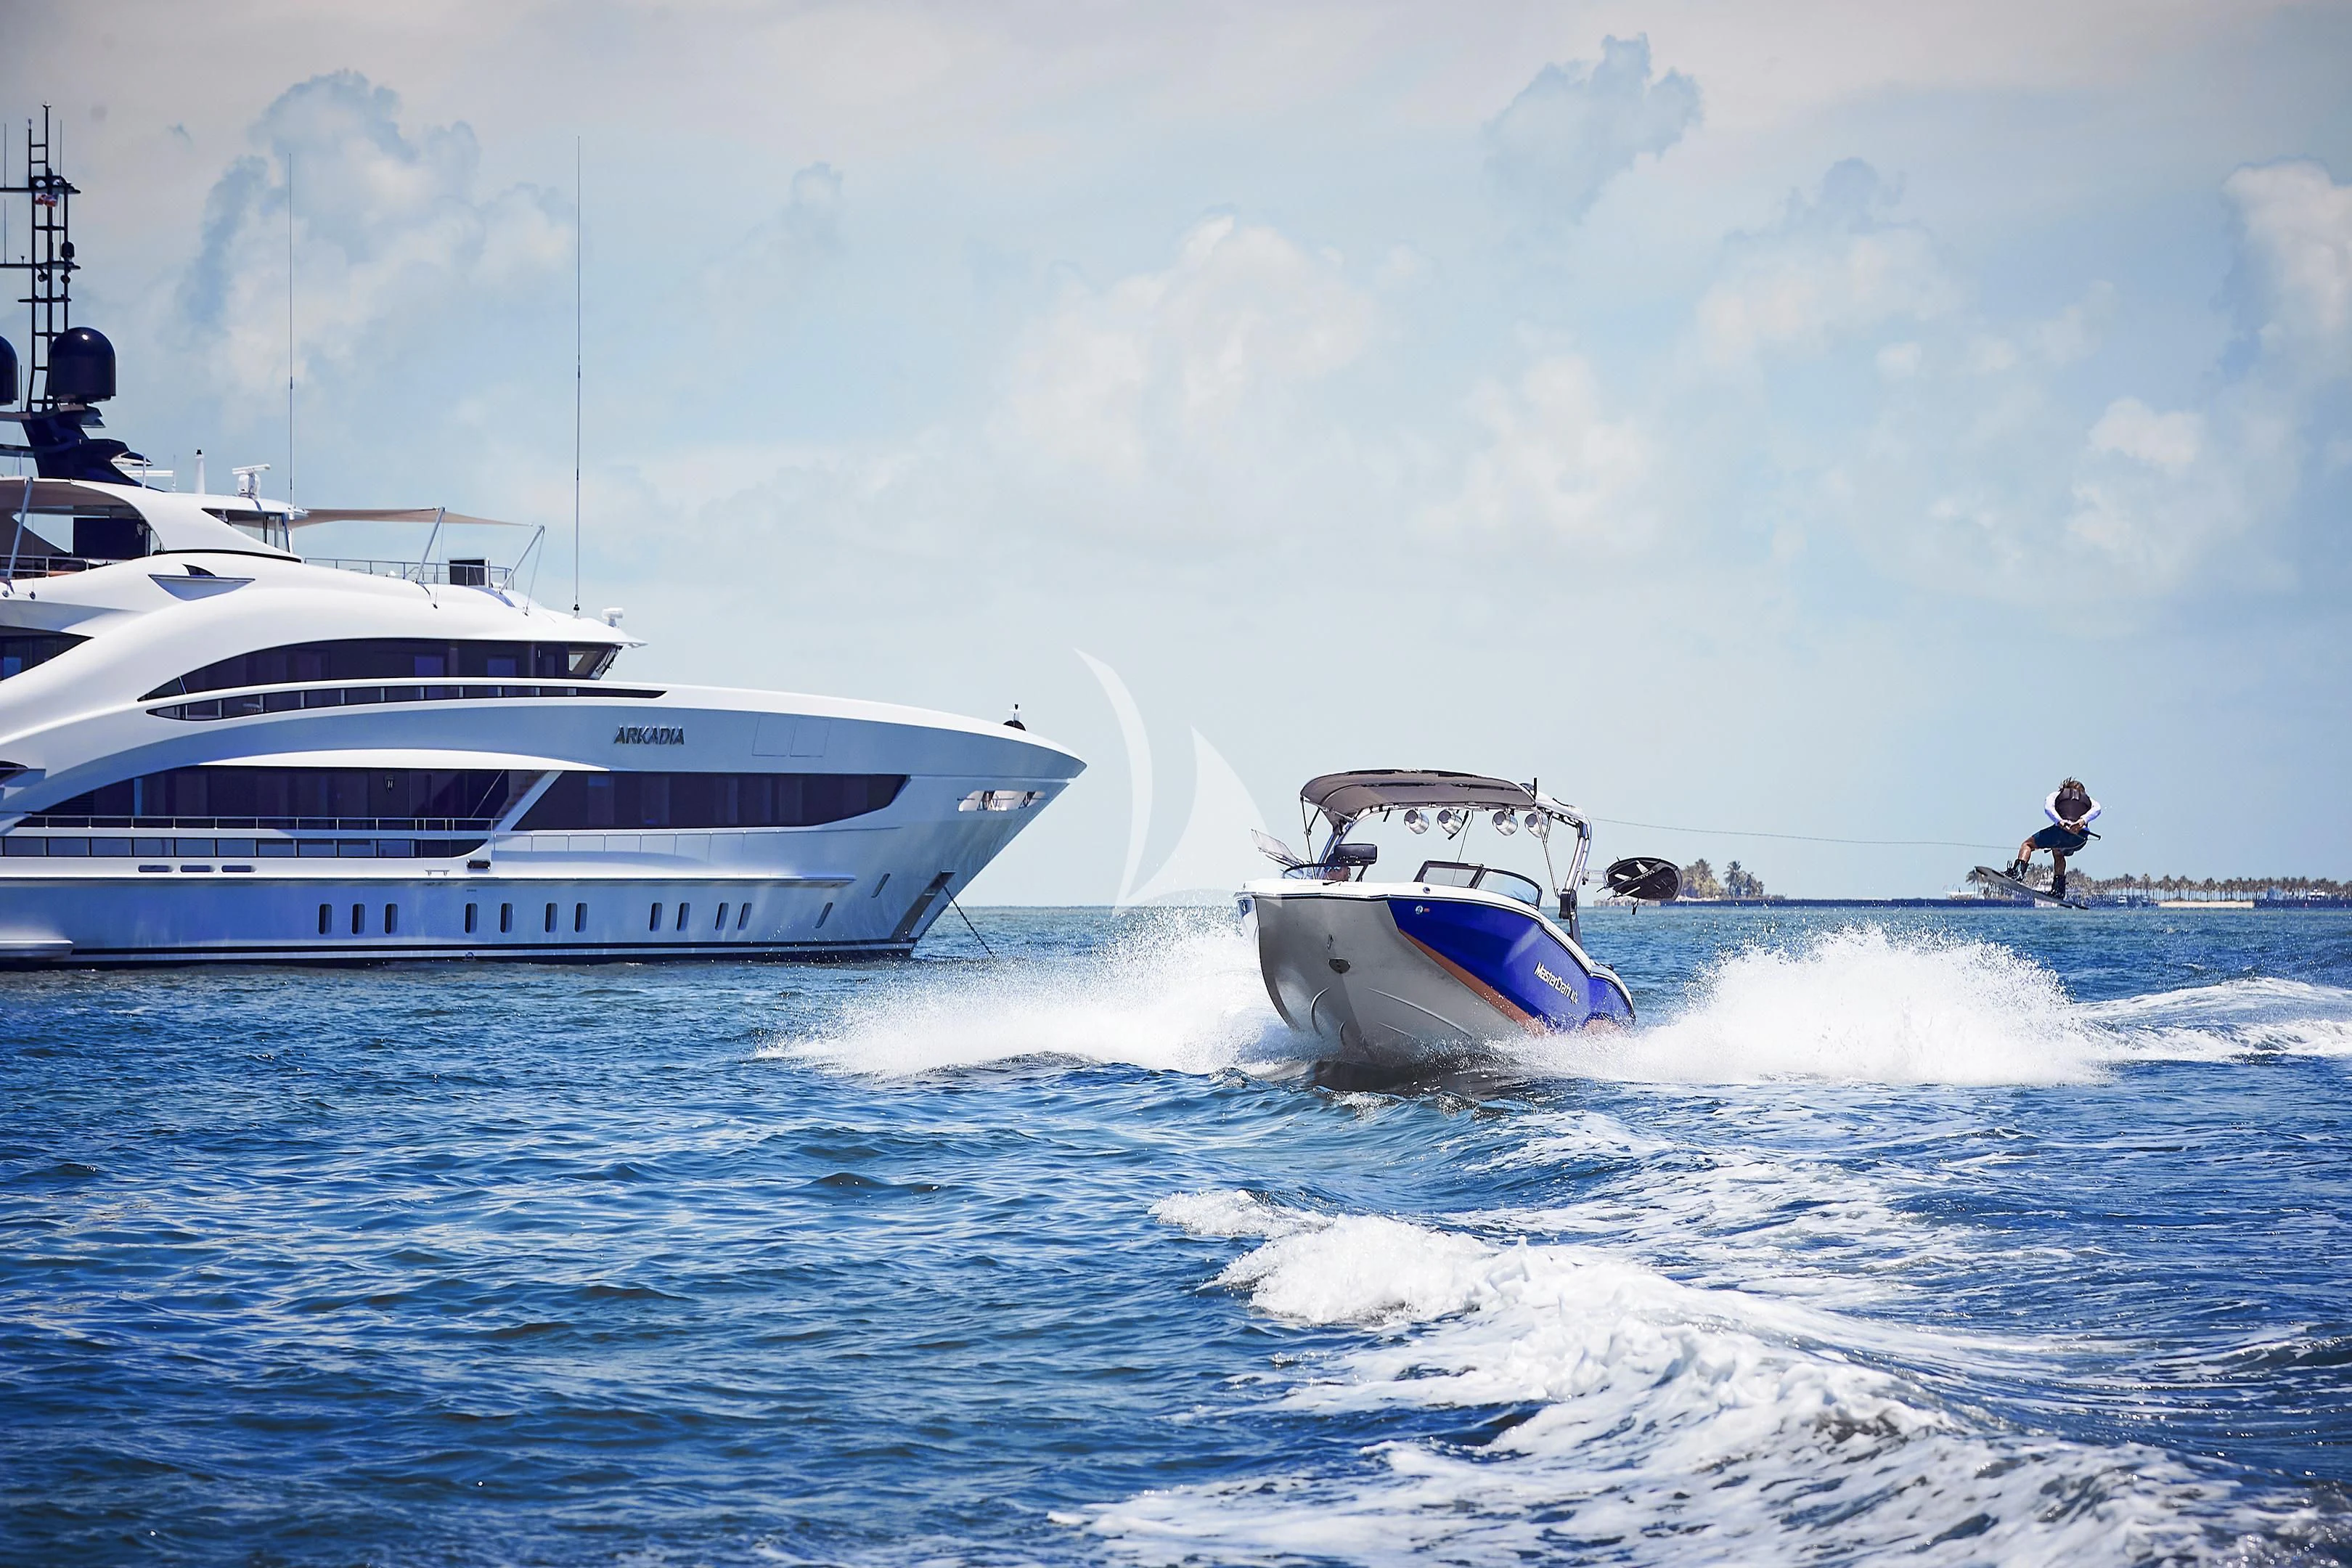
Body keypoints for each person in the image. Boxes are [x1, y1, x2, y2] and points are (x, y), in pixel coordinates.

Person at [2009, 777, 2100, 898]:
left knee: (2027, 845)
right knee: (2058, 852)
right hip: (2080, 839)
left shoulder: (2057, 795)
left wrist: (2060, 822)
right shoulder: (2089, 800)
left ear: (2064, 788)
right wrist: (2082, 821)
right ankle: (2059, 890)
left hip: (2060, 832)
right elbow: (2098, 809)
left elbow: (2048, 808)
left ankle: (2018, 872)